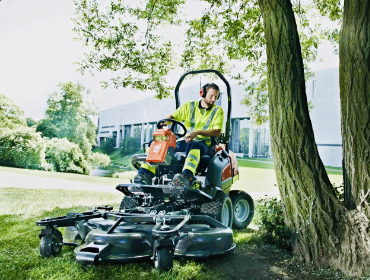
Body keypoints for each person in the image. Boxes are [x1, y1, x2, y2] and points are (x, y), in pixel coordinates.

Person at [134, 83, 224, 187]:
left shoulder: (218, 111)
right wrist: (165, 122)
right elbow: (173, 117)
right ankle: (145, 174)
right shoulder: (189, 106)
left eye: (216, 96)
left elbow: (217, 132)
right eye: (211, 95)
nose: (213, 99)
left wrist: (197, 132)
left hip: (203, 143)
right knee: (157, 142)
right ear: (203, 93)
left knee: (194, 145)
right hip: (184, 141)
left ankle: (187, 176)